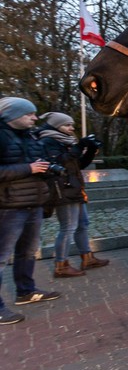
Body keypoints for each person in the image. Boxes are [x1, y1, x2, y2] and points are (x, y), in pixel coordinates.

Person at [0, 97, 60, 325]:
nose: (35, 118)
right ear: (13, 116)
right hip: (8, 206)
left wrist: (47, 169)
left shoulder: (31, 136)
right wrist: (29, 168)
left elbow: (39, 164)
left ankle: (26, 291)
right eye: (30, 114)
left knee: (27, 252)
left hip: (32, 204)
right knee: (2, 258)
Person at [36, 112, 108, 277]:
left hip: (73, 188)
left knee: (82, 224)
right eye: (67, 125)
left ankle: (87, 257)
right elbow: (61, 162)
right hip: (62, 190)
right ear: (56, 125)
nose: (71, 128)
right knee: (68, 227)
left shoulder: (65, 141)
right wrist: (79, 146)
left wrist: (91, 149)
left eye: (71, 125)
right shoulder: (47, 141)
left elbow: (78, 164)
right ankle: (61, 265)